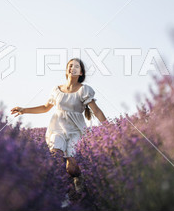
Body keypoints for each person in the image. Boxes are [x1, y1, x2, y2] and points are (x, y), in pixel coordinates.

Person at [10, 58, 107, 196]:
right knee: (55, 156)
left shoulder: (84, 90)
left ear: (81, 73)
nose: (72, 68)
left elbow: (96, 110)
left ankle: (78, 179)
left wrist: (108, 127)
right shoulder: (57, 90)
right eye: (70, 65)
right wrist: (24, 110)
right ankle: (58, 191)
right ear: (66, 70)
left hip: (76, 131)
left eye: (76, 66)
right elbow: (45, 108)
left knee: (72, 166)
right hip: (57, 128)